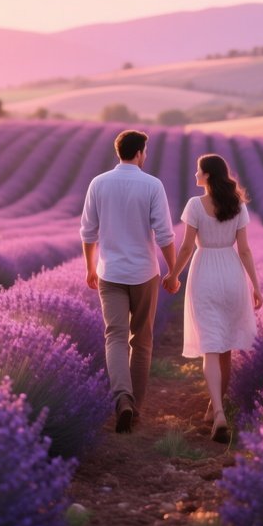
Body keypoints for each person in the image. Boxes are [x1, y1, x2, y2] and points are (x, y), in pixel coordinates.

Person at [80, 129, 176, 433]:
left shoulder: (98, 183)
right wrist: (173, 271)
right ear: (139, 152)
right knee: (141, 340)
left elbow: (87, 232)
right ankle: (134, 409)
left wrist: (90, 267)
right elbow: (165, 233)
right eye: (145, 151)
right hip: (143, 273)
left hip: (110, 272)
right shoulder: (152, 185)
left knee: (116, 337)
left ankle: (122, 398)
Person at [164, 154, 262, 443]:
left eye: (198, 171)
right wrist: (256, 286)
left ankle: (218, 412)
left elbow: (185, 248)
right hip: (232, 274)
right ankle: (214, 407)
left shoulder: (195, 205)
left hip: (205, 272)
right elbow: (244, 250)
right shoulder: (237, 205)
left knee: (210, 346)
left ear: (207, 175)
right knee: (226, 348)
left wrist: (173, 276)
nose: (195, 174)